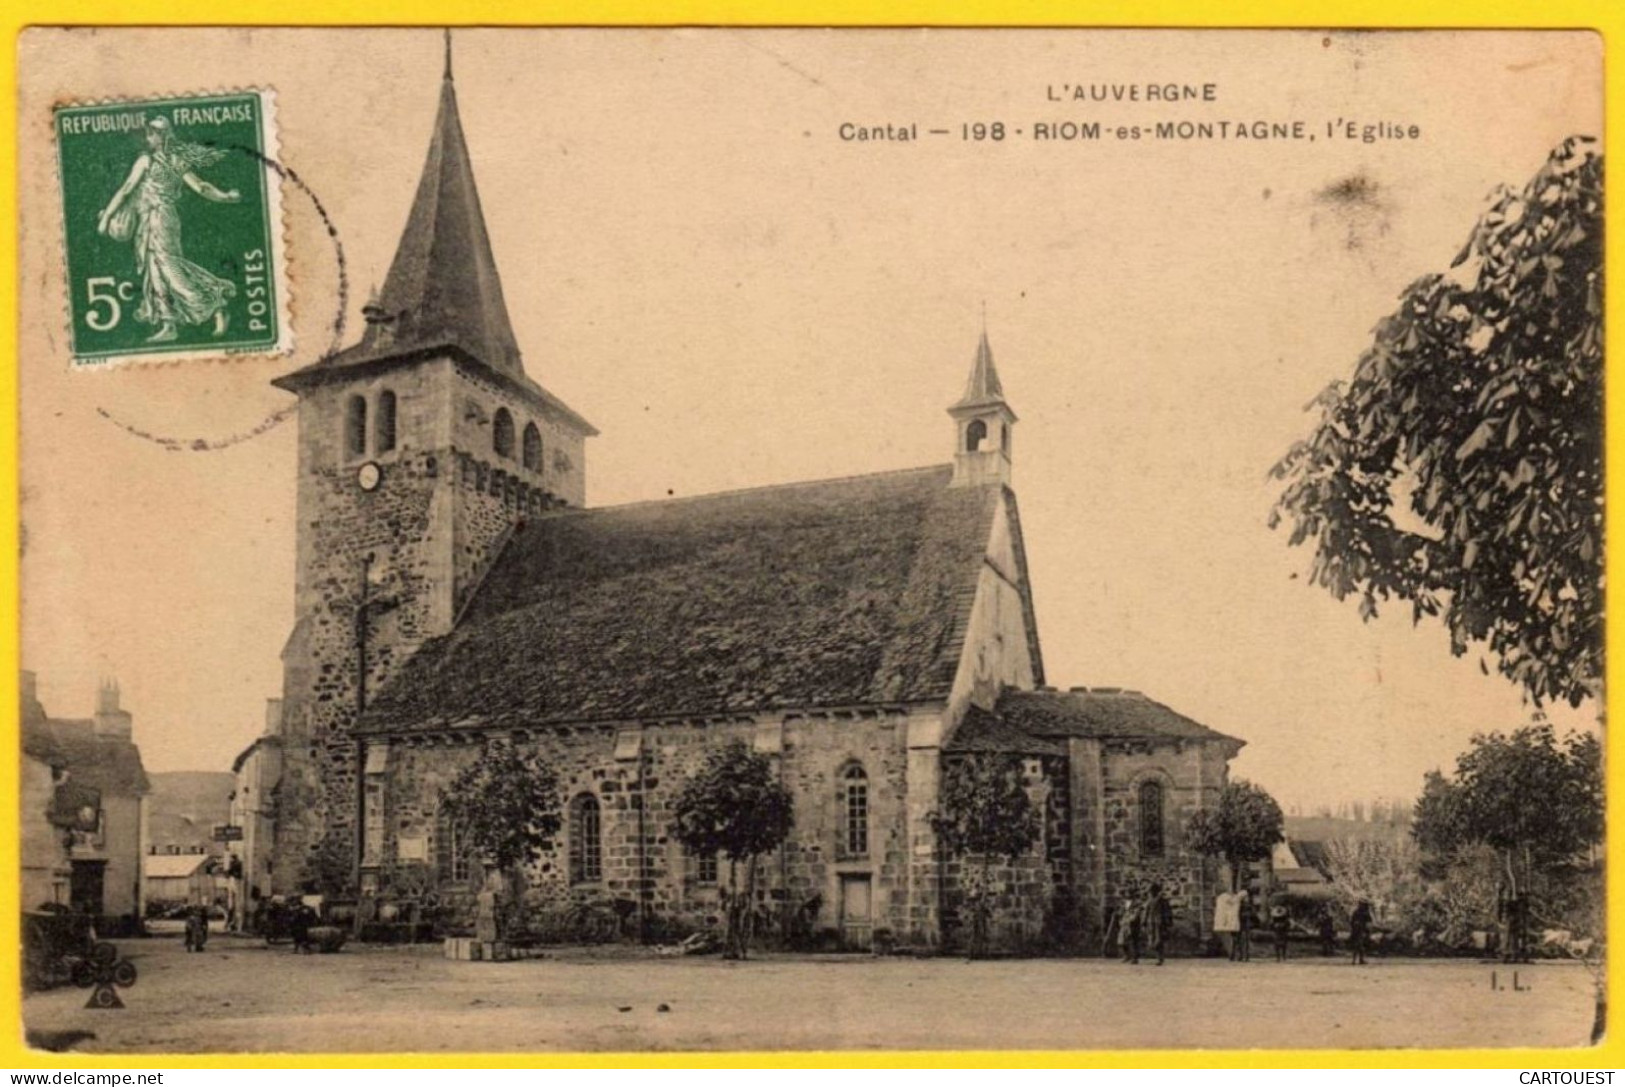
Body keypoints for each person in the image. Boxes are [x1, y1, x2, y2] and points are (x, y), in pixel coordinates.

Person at [95, 116, 241, 344]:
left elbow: (125, 190)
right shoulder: (176, 161)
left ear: (159, 135)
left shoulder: (147, 161)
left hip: (158, 219)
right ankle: (169, 324)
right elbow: (201, 187)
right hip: (160, 218)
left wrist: (106, 219)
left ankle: (215, 304)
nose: (148, 138)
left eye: (151, 134)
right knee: (156, 271)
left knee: (169, 268)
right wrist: (226, 197)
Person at [1141, 884, 1173, 966]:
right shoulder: (1149, 901)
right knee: (1152, 940)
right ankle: (1158, 957)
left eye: (1151, 892)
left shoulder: (1162, 901)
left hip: (1159, 924)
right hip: (1151, 923)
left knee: (1159, 941)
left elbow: (1167, 912)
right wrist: (1144, 922)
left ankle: (1160, 958)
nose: (1149, 893)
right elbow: (1145, 912)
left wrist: (1168, 923)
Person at [1213, 888, 1240, 960]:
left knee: (1228, 939)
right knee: (1229, 939)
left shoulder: (1220, 898)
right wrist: (1240, 895)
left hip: (1223, 923)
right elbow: (1234, 901)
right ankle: (1233, 954)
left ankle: (1232, 954)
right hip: (1226, 922)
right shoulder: (1224, 897)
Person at [1118, 891, 1142, 964]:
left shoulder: (1137, 903)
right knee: (1121, 941)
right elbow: (1121, 912)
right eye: (1127, 893)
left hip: (1133, 924)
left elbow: (1136, 913)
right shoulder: (1124, 903)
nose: (1128, 895)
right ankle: (1126, 956)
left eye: (1129, 893)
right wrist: (1121, 920)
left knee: (1133, 941)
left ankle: (1135, 958)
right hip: (1124, 923)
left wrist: (1132, 919)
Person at [1350, 899, 1373, 965]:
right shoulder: (1359, 912)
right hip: (1358, 931)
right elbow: (1352, 922)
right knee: (1358, 945)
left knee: (1359, 946)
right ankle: (1357, 960)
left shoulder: (1362, 912)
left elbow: (1369, 922)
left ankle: (1358, 960)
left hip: (1361, 931)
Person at [1235, 887, 1253, 962]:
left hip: (1245, 924)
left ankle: (1245, 955)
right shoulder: (1241, 905)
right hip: (1241, 923)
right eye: (1246, 897)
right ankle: (1242, 955)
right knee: (1240, 940)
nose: (1247, 898)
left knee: (1244, 940)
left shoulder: (1247, 905)